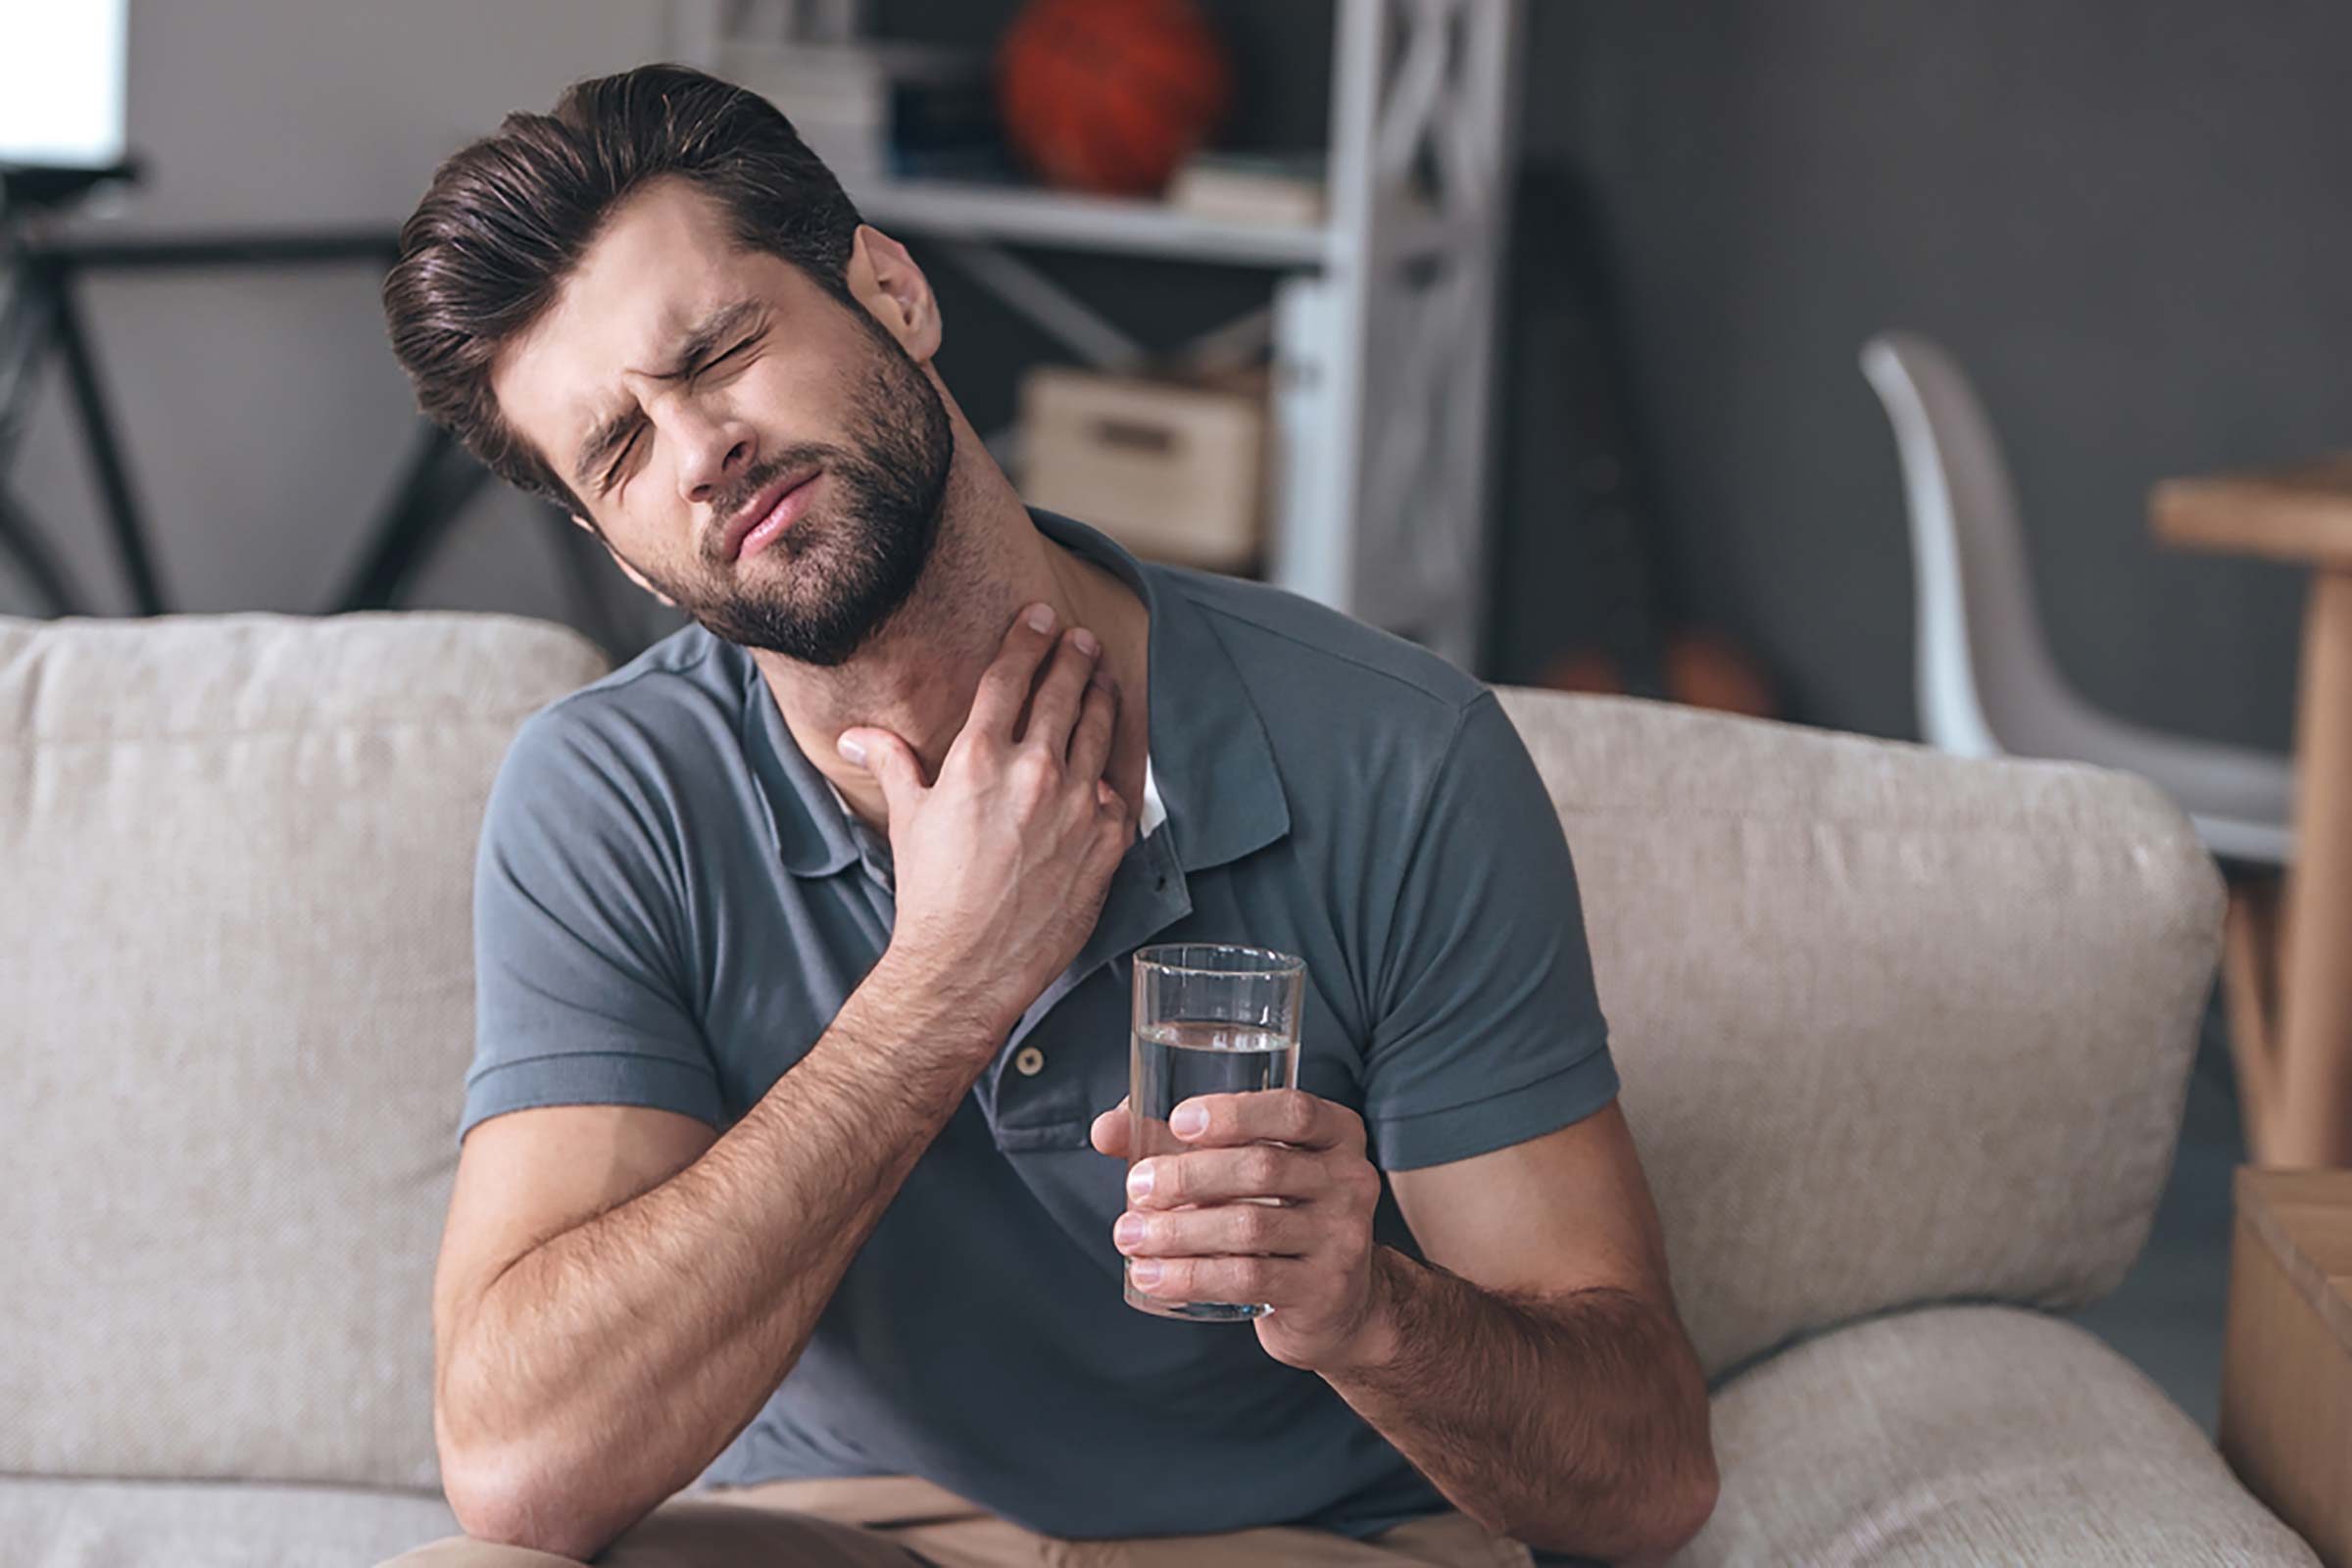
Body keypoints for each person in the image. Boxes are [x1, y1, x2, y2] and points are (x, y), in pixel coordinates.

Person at [374, 63, 1715, 1568]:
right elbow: (517, 1466)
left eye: (723, 350)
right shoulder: (612, 800)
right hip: (831, 1532)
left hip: (1296, 1538)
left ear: (890, 288)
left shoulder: (1396, 758)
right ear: (613, 546)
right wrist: (940, 986)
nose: (699, 453)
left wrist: (1369, 1310)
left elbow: (1648, 1479)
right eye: (618, 452)